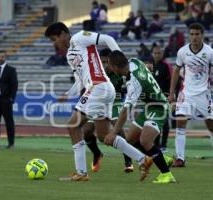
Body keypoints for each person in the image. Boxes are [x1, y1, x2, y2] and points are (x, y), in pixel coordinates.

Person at [44, 22, 152, 181]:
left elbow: (107, 39)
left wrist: (123, 63)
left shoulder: (80, 37)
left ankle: (81, 173)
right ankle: (143, 159)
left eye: (54, 39)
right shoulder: (69, 55)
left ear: (63, 34)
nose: (54, 43)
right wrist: (67, 94)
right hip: (102, 88)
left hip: (99, 87)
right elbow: (80, 81)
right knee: (104, 136)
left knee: (73, 126)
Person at [104, 50, 176, 184]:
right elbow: (145, 66)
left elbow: (125, 112)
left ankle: (166, 174)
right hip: (149, 106)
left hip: (159, 107)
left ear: (115, 67)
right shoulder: (134, 62)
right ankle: (162, 158)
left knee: (145, 140)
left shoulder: (134, 82)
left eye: (109, 65)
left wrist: (113, 133)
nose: (108, 68)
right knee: (130, 139)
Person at [169, 23, 213, 168]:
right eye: (192, 34)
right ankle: (180, 158)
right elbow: (176, 71)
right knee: (180, 122)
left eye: (197, 34)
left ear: (202, 35)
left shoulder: (210, 52)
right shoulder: (182, 52)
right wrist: (171, 93)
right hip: (186, 93)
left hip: (203, 95)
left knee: (211, 126)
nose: (194, 37)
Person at [82, 48, 134, 173]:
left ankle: (128, 160)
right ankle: (97, 153)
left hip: (114, 101)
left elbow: (129, 83)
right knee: (87, 130)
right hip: (98, 102)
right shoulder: (94, 72)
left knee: (118, 127)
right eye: (102, 62)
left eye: (107, 62)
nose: (105, 65)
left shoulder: (119, 72)